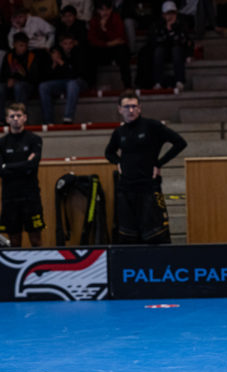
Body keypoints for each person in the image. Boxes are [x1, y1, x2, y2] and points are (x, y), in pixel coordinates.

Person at [104, 90, 187, 244]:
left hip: (149, 187)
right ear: (119, 109)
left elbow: (180, 143)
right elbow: (108, 152)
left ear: (140, 108)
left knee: (156, 235)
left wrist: (159, 163)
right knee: (128, 236)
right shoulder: (119, 132)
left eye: (134, 106)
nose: (131, 110)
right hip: (126, 189)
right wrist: (118, 162)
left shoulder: (152, 126)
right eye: (127, 107)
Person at [0, 103, 44, 247]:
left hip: (30, 197)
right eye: (12, 116)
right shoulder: (2, 143)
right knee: (14, 241)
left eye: (19, 115)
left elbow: (32, 166)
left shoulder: (34, 140)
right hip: (10, 198)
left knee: (36, 239)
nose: (16, 119)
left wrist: (8, 166)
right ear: (7, 119)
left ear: (25, 118)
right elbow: (1, 171)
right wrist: (24, 165)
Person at [38, 33, 90, 124]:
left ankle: (68, 118)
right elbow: (47, 76)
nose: (68, 46)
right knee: (43, 86)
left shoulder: (80, 53)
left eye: (70, 43)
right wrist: (54, 64)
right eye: (65, 43)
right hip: (63, 83)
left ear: (74, 43)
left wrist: (61, 62)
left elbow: (76, 74)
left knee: (72, 84)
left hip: (80, 82)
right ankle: (48, 121)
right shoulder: (56, 53)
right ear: (61, 44)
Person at [87, 0, 132, 89]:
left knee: (122, 50)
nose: (105, 12)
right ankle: (91, 85)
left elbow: (120, 37)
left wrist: (105, 30)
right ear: (97, 11)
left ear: (111, 9)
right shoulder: (94, 21)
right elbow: (92, 40)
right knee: (90, 51)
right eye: (102, 10)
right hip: (103, 51)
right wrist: (108, 44)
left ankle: (127, 85)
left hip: (116, 51)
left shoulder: (116, 18)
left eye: (107, 9)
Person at [149, 1, 192, 91]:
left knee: (176, 50)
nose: (171, 16)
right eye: (168, 13)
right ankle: (158, 82)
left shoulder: (181, 24)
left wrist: (173, 29)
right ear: (163, 15)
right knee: (158, 52)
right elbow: (156, 40)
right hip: (164, 51)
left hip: (178, 51)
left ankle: (179, 81)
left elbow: (185, 40)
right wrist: (167, 30)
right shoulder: (158, 25)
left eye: (173, 13)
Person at [0, 32, 43, 113]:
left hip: (27, 86)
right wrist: (8, 80)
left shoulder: (32, 56)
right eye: (21, 45)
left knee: (19, 87)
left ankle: (20, 116)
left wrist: (21, 76)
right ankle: (1, 120)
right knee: (0, 88)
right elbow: (3, 74)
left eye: (25, 46)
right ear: (14, 44)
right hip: (10, 85)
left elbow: (35, 78)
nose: (23, 48)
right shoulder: (9, 56)